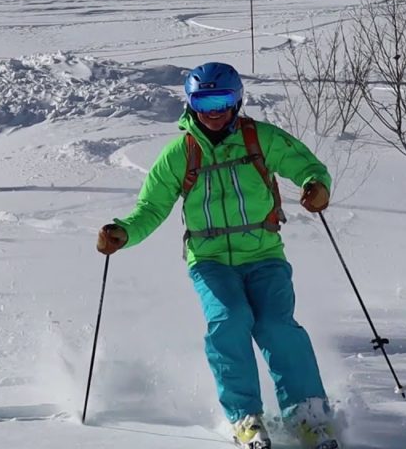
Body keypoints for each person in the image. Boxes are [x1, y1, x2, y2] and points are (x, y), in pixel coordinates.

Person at [96, 62, 339, 449]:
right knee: (230, 320)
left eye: (223, 99)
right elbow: (151, 208)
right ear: (191, 104)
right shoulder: (180, 153)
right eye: (203, 100)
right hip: (209, 260)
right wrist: (123, 232)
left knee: (276, 326)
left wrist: (316, 186)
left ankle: (307, 414)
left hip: (264, 254)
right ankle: (245, 417)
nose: (214, 110)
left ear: (237, 99)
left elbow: (307, 165)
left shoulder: (260, 139)